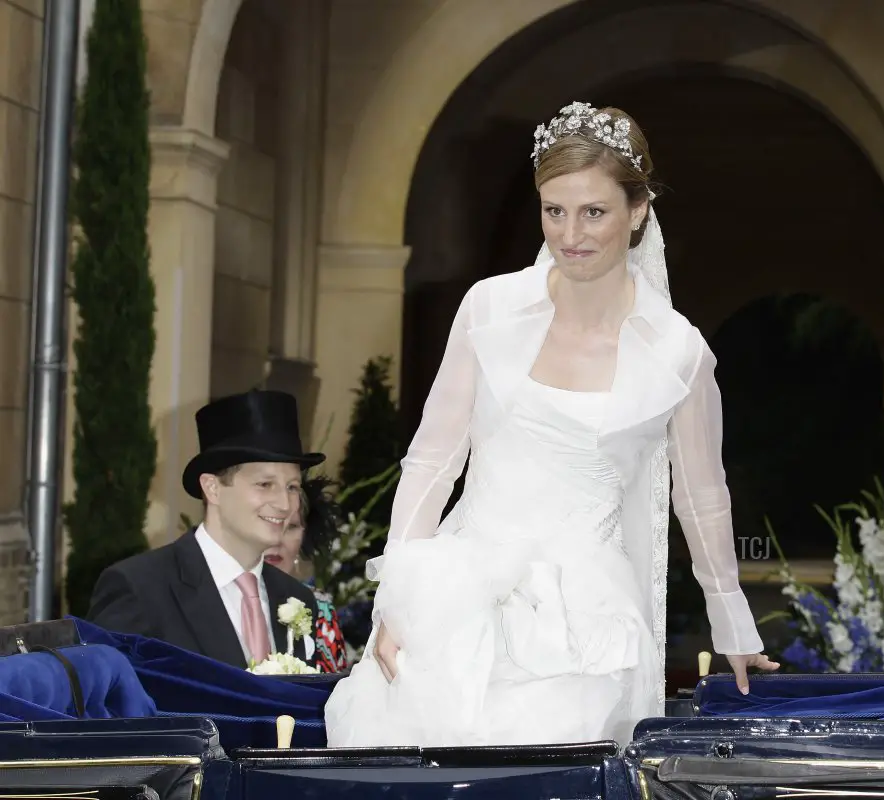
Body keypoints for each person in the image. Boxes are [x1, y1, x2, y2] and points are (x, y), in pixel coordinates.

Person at [324, 101, 777, 748]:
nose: (572, 234)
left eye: (594, 211)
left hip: (585, 631)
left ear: (639, 210)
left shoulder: (679, 351)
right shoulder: (488, 308)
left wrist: (733, 624)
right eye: (554, 210)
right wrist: (397, 603)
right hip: (457, 605)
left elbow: (701, 497)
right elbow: (433, 461)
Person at [88, 389, 325, 671]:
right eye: (265, 484)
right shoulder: (140, 588)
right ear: (212, 488)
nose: (285, 504)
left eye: (292, 487)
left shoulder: (296, 598)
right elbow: (111, 704)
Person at [262, 475, 351, 673]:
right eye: (270, 522)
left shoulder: (320, 608)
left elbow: (333, 696)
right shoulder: (219, 598)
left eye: (291, 526)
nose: (277, 540)